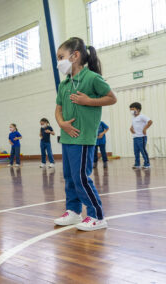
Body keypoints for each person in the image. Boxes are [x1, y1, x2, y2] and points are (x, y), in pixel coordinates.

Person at [53, 37, 117, 231]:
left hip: (83, 138)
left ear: (75, 56)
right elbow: (58, 109)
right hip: (67, 137)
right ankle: (73, 211)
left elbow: (111, 98)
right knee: (70, 177)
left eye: (61, 57)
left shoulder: (92, 78)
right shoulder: (64, 84)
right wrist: (61, 123)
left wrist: (89, 101)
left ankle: (97, 216)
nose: (59, 62)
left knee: (81, 177)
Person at [130, 102, 153, 170]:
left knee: (143, 150)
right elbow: (133, 125)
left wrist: (145, 129)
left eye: (133, 109)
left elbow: (150, 121)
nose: (131, 111)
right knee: (136, 151)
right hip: (135, 137)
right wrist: (131, 128)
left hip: (141, 137)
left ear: (138, 109)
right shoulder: (133, 118)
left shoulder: (142, 116)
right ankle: (137, 164)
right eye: (130, 109)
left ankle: (147, 164)